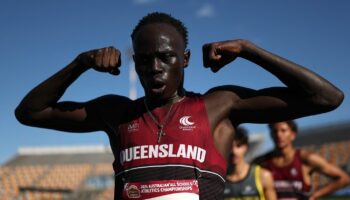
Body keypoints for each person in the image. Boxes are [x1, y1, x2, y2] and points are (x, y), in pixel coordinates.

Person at [15, 12, 344, 199]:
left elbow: (327, 98)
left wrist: (249, 50)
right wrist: (80, 63)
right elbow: (30, 112)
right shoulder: (117, 112)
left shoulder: (218, 106)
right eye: (144, 60)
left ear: (184, 59)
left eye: (165, 56)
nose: (155, 67)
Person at [254, 121, 350, 200]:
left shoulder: (306, 158)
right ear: (271, 134)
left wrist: (315, 195)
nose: (279, 134)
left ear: (293, 135)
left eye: (283, 130)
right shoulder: (262, 162)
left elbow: (344, 178)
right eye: (275, 131)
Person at [222, 126, 277, 200]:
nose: (234, 151)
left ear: (246, 147)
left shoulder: (263, 176)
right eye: (229, 146)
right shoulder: (218, 179)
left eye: (238, 146)